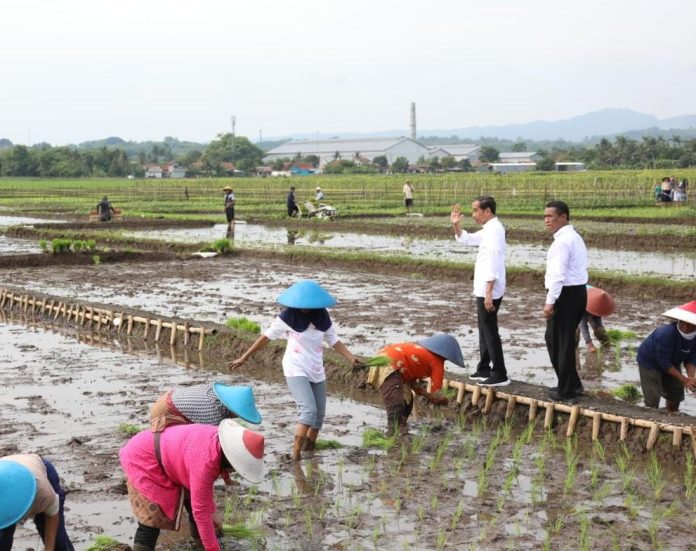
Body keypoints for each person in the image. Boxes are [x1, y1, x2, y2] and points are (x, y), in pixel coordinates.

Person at [230, 280, 360, 460]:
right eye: (302, 305)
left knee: (319, 416)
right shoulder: (287, 317)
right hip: (295, 367)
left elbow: (333, 340)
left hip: (316, 367)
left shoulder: (322, 317)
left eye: (309, 305)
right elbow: (266, 337)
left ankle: (309, 451)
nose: (305, 308)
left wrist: (351, 358)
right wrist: (244, 357)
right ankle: (295, 456)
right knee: (308, 411)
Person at [120, 420, 264, 551]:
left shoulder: (220, 442)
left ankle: (199, 544)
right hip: (143, 458)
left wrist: (212, 513)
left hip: (174, 458)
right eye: (235, 466)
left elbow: (205, 496)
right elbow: (201, 511)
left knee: (194, 502)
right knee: (152, 518)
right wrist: (214, 549)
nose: (234, 470)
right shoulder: (206, 463)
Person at [451, 196, 508, 386]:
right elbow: (467, 239)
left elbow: (492, 263)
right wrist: (456, 225)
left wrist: (489, 292)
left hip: (489, 289)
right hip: (484, 288)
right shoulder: (489, 229)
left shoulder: (494, 232)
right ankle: (484, 368)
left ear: (488, 211)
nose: (473, 215)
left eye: (476, 211)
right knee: (484, 329)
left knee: (490, 330)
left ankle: (499, 373)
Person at [367, 334, 464, 435]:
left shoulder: (420, 352)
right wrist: (441, 400)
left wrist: (426, 395)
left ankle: (401, 426)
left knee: (408, 399)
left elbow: (413, 383)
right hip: (389, 364)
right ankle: (392, 432)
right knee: (395, 403)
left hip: (384, 359)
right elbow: (436, 392)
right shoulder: (437, 363)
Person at [543, 200, 588, 403]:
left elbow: (558, 275)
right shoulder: (574, 236)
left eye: (550, 216)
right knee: (562, 340)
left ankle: (566, 390)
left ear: (563, 217)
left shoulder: (562, 241)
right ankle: (571, 383)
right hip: (577, 293)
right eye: (545, 217)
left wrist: (550, 301)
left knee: (559, 342)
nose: (546, 221)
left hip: (565, 294)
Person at [0, 454, 74, 550]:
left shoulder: (42, 492)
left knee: (58, 543)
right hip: (6, 471)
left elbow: (52, 515)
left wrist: (49, 548)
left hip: (39, 470)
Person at [637, 301, 696, 412]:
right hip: (650, 362)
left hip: (673, 361)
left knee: (676, 394)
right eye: (683, 322)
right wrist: (684, 380)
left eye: (690, 323)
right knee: (652, 398)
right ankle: (651, 419)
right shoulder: (666, 333)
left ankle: (671, 415)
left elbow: (691, 358)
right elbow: (663, 362)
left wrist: (691, 378)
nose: (685, 325)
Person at [150, 383, 262, 432]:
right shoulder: (214, 412)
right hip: (166, 412)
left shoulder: (215, 395)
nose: (236, 417)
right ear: (231, 409)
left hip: (167, 398)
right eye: (238, 414)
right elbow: (212, 441)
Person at [577, 286, 614, 352]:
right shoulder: (580, 303)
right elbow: (583, 326)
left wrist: (604, 336)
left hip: (592, 301)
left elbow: (599, 324)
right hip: (577, 303)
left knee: (599, 328)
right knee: (575, 329)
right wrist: (589, 344)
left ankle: (606, 343)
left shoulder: (601, 297)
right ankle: (573, 347)